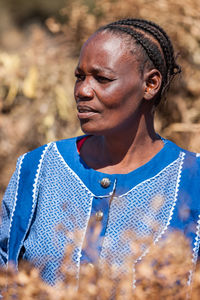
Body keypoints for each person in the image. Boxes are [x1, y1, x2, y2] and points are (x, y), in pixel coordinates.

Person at [0, 18, 199, 288]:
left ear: (150, 84)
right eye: (79, 77)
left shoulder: (191, 180)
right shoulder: (38, 169)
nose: (82, 91)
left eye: (102, 79)